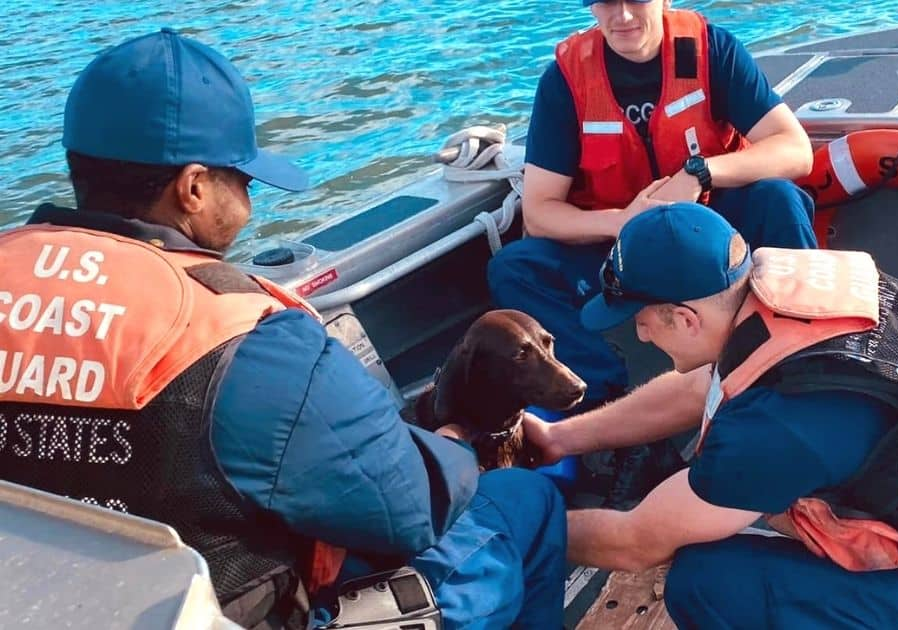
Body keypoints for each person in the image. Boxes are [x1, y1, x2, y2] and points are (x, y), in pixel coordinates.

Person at [0, 29, 564, 630]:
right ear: (192, 188)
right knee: (524, 503)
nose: (248, 199)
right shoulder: (241, 337)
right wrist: (456, 438)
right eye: (242, 181)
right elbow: (411, 509)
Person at [523, 202, 898, 628]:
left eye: (639, 319)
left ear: (683, 319)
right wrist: (558, 438)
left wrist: (513, 524)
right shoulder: (799, 301)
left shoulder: (779, 425)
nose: (637, 332)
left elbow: (635, 541)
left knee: (709, 581)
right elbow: (702, 386)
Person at [488, 0, 819, 507]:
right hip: (620, 247)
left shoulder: (711, 50)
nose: (621, 16)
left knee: (779, 198)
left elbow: (794, 150)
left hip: (706, 236)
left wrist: (700, 173)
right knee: (515, 268)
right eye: (604, 1)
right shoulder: (566, 80)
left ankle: (809, 362)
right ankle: (621, 427)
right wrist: (622, 221)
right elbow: (540, 213)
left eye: (636, 0)